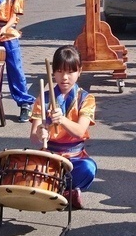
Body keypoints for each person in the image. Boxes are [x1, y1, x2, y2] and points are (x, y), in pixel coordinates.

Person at [30, 45, 96, 209]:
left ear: (79, 71)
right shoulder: (44, 98)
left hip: (75, 158)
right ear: (53, 72)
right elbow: (33, 136)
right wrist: (40, 132)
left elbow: (80, 131)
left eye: (70, 72)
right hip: (50, 156)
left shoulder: (86, 98)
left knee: (89, 168)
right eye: (59, 71)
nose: (64, 77)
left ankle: (54, 189)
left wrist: (63, 120)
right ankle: (66, 192)